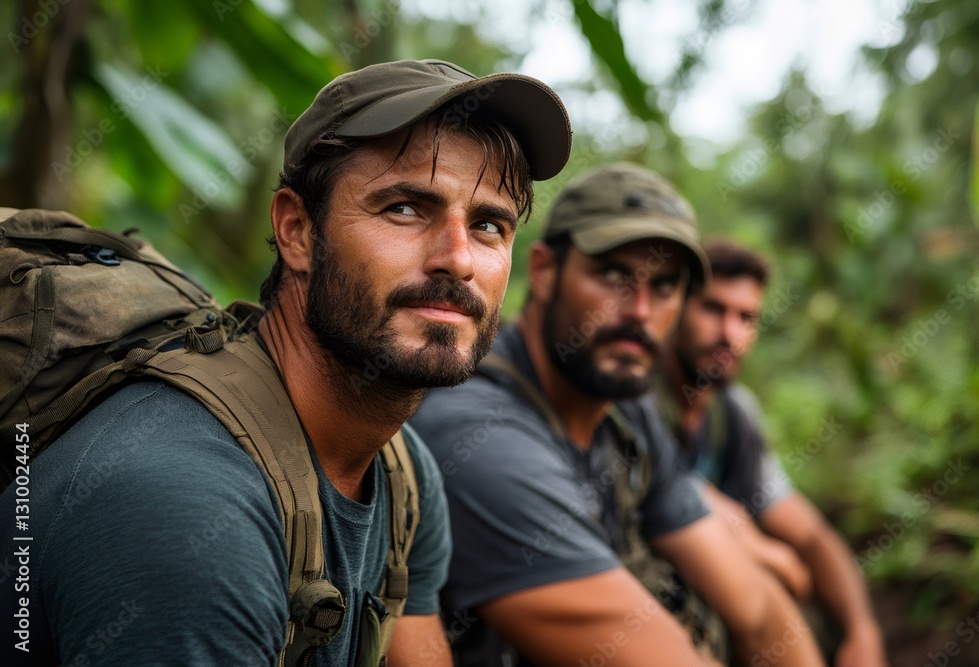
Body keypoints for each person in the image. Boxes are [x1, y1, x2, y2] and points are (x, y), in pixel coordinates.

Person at [0, 59, 572, 666]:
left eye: (488, 224)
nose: (458, 259)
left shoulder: (403, 472)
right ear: (297, 231)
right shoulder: (188, 513)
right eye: (405, 208)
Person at [410, 162, 826, 666]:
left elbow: (758, 611)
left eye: (667, 286)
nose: (640, 311)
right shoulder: (476, 429)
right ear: (543, 271)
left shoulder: (629, 410)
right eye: (612, 275)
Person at [656, 240, 888, 667]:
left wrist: (863, 632)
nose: (730, 333)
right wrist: (761, 549)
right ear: (676, 307)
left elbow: (813, 537)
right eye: (713, 309)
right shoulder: (637, 391)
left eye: (746, 318)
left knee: (822, 615)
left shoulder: (734, 414)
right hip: (658, 600)